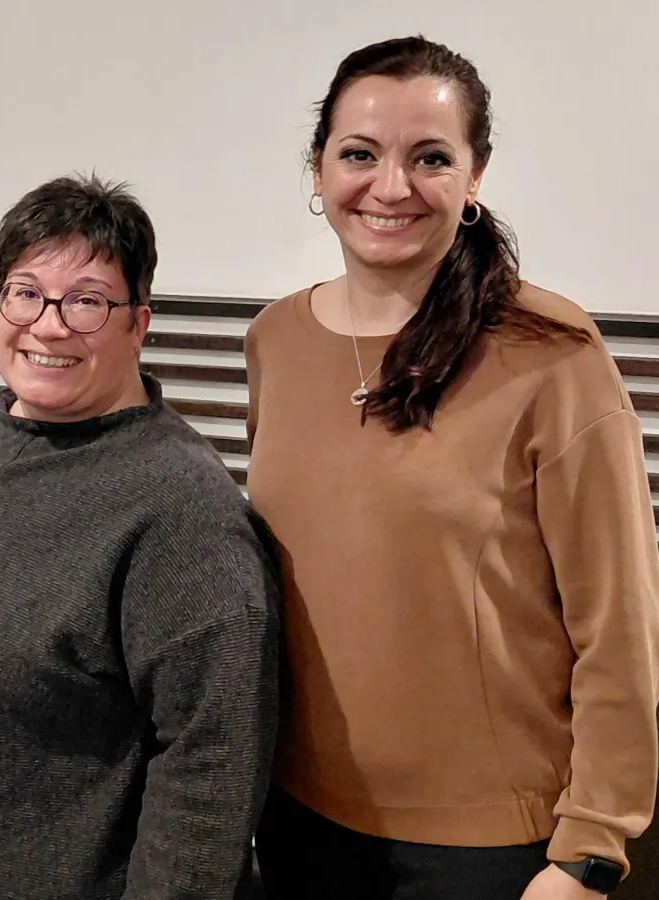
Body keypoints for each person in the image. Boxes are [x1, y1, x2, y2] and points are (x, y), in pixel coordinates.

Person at [245, 36, 659, 900]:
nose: (390, 187)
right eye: (359, 154)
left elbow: (619, 625)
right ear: (317, 170)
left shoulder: (552, 353)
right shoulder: (276, 340)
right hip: (297, 819)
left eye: (430, 157)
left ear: (474, 178)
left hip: (490, 853)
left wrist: (590, 849)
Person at [0, 174, 281, 900]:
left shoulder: (181, 509)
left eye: (86, 301)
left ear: (137, 324)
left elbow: (213, 763)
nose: (48, 326)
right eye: (25, 293)